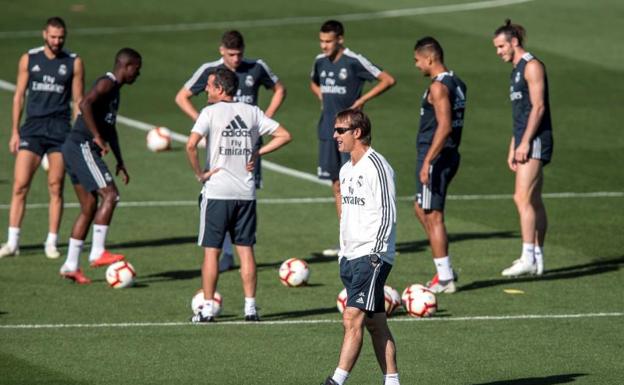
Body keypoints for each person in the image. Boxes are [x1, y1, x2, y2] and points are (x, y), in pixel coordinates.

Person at [175, 30, 286, 272]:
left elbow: (279, 89)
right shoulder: (210, 71)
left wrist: (264, 120)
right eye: (231, 54)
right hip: (221, 145)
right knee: (220, 194)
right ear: (221, 50)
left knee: (244, 194)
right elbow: (182, 97)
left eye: (239, 54)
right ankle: (226, 252)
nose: (236, 59)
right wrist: (205, 124)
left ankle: (233, 249)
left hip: (248, 147)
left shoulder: (256, 67)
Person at [186, 68, 291, 322]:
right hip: (246, 193)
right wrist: (257, 153)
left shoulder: (209, 113)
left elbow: (190, 145)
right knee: (246, 251)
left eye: (209, 86)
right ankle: (250, 308)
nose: (206, 90)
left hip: (217, 193)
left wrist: (201, 173)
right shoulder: (252, 111)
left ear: (220, 89)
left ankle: (208, 309)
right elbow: (285, 135)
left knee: (212, 252)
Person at [322, 109, 399, 385]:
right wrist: (344, 249)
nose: (335, 136)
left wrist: (377, 253)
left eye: (340, 130)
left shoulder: (377, 166)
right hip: (351, 256)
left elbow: (388, 212)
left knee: (352, 317)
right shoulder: (346, 170)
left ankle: (336, 381)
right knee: (376, 324)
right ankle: (392, 381)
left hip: (372, 255)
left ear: (357, 132)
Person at [0, 17, 84, 259]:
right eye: (53, 37)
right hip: (32, 130)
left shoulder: (73, 62)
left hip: (59, 132)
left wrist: (77, 134)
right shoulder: (29, 59)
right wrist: (15, 131)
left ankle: (51, 242)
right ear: (44, 35)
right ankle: (13, 241)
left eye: (61, 37)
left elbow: (78, 101)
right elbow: (18, 96)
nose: (57, 41)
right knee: (20, 185)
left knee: (56, 186)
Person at [310, 20, 395, 257]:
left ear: (340, 39)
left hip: (350, 135)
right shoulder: (320, 61)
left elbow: (387, 79)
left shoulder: (354, 61)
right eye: (322, 40)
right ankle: (346, 239)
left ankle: (372, 237)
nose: (324, 45)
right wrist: (323, 98)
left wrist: (361, 101)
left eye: (328, 41)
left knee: (356, 186)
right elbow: (313, 83)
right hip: (328, 131)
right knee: (337, 185)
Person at [58, 48, 142, 284]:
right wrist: (96, 136)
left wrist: (120, 160)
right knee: (111, 195)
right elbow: (84, 103)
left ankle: (71, 265)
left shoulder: (115, 91)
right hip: (81, 145)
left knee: (88, 206)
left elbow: (111, 129)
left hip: (76, 148)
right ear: (127, 66)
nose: (139, 73)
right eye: (137, 68)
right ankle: (97, 251)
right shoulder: (107, 83)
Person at [493, 20, 553, 277]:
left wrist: (526, 141)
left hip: (536, 139)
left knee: (522, 198)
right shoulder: (516, 69)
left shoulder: (532, 66)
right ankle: (537, 257)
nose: (499, 52)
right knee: (535, 200)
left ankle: (527, 255)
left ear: (514, 42)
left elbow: (538, 107)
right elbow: (521, 113)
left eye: (501, 46)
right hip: (525, 138)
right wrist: (513, 145)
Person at [412, 37, 467, 294]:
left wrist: (428, 161)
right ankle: (444, 267)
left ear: (430, 58)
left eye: (417, 60)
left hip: (436, 157)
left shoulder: (438, 87)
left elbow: (444, 127)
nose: (416, 65)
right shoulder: (457, 83)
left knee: (433, 216)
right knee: (421, 209)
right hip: (447, 155)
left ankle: (445, 278)